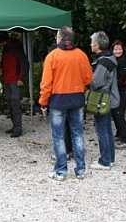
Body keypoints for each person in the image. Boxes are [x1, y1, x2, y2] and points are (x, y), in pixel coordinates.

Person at [39, 27, 93, 181]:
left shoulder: (52, 56)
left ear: (60, 39)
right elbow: (89, 79)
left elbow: (46, 83)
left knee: (59, 136)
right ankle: (80, 170)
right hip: (77, 99)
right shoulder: (81, 55)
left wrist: (43, 103)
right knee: (78, 134)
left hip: (58, 101)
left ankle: (61, 171)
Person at [89, 31, 120, 170]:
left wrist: (87, 81)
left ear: (97, 45)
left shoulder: (103, 61)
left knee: (101, 129)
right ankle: (110, 158)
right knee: (107, 129)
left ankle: (105, 161)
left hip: (101, 98)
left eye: (92, 43)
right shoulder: (110, 58)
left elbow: (96, 83)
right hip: (109, 97)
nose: (90, 45)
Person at [0, 31, 29, 138]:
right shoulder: (6, 48)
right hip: (7, 80)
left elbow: (24, 63)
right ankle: (15, 126)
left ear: (5, 40)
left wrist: (22, 78)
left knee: (15, 104)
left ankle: (18, 128)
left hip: (15, 80)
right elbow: (3, 62)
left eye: (2, 42)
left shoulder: (17, 47)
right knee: (10, 104)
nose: (1, 44)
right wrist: (0, 69)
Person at [111, 40, 126, 149]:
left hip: (123, 90)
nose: (118, 51)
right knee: (115, 112)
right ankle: (119, 133)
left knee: (119, 114)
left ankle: (125, 140)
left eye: (120, 49)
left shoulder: (123, 61)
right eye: (116, 49)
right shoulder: (114, 61)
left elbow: (123, 77)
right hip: (117, 90)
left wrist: (113, 86)